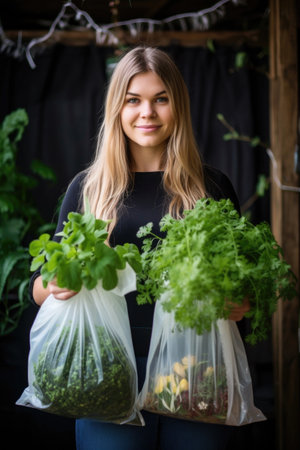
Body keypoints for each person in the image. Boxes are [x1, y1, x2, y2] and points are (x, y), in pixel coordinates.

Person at [31, 46, 250, 450]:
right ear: (118, 107)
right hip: (104, 371)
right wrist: (55, 282)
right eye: (134, 100)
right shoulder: (90, 189)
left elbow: (242, 287)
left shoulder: (210, 187)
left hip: (196, 372)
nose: (146, 112)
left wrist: (241, 302)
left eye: (160, 99)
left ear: (177, 106)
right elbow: (38, 288)